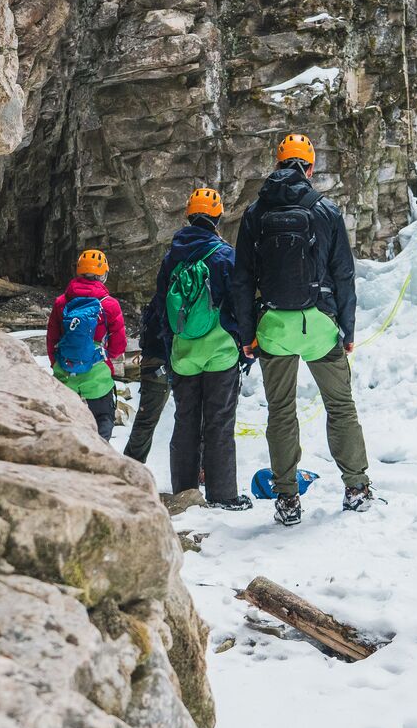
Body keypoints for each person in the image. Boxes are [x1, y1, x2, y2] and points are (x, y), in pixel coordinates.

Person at [231, 134, 374, 526]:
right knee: (340, 407)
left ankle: (288, 500)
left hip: (273, 326)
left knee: (280, 412)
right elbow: (344, 275)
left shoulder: (254, 214)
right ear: (309, 169)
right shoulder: (325, 210)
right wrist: (347, 331)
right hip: (319, 325)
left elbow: (242, 279)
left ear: (278, 165)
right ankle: (357, 488)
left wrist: (247, 335)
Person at [143, 187, 251, 511]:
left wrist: (168, 350)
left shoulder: (171, 257)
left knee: (185, 420)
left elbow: (162, 310)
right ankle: (223, 496)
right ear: (218, 217)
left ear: (188, 215)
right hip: (220, 354)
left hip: (183, 355)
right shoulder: (224, 256)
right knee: (218, 421)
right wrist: (244, 346)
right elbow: (238, 304)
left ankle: (184, 493)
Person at [47, 248, 127, 437]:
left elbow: (52, 339)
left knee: (66, 429)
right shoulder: (109, 304)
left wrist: (58, 365)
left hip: (66, 376)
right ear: (104, 275)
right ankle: (98, 460)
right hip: (97, 376)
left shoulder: (61, 302)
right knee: (103, 421)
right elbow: (118, 347)